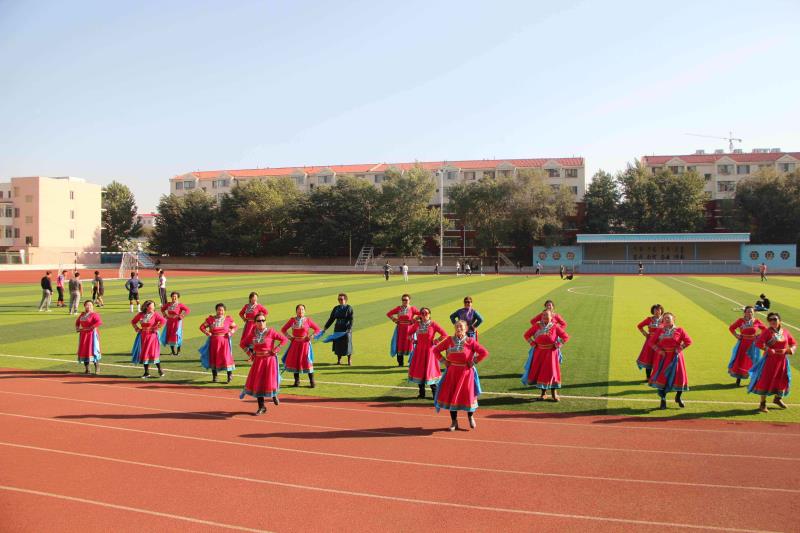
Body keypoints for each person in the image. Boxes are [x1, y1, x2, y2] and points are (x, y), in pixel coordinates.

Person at [432, 320, 489, 431]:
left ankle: (470, 416)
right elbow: (436, 350)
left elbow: (484, 352)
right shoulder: (449, 340)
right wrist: (444, 361)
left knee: (468, 395)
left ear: (466, 329)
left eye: (461, 327)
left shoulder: (470, 341)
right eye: (457, 326)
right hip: (452, 372)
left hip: (466, 373)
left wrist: (474, 361)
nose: (459, 328)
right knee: (452, 396)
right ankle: (454, 422)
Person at [240, 312, 288, 415]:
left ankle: (274, 394)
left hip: (270, 360)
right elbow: (242, 344)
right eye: (259, 321)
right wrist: (251, 354)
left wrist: (277, 348)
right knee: (258, 382)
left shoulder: (271, 332)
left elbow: (284, 339)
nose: (261, 322)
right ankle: (261, 407)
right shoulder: (252, 333)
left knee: (270, 380)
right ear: (255, 323)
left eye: (263, 320)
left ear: (265, 322)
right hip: (258, 361)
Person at [749, 312, 797, 412]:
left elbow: (793, 343)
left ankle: (778, 399)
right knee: (766, 379)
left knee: (782, 379)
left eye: (775, 319)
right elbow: (758, 343)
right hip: (770, 360)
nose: (772, 321)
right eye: (770, 320)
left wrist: (789, 350)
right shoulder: (767, 332)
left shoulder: (785, 332)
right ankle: (762, 404)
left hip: (782, 360)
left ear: (780, 320)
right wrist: (768, 349)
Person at [521, 308, 569, 401]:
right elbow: (526, 335)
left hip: (551, 353)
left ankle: (554, 393)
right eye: (543, 315)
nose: (544, 317)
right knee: (541, 372)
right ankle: (543, 394)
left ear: (551, 317)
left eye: (547, 315)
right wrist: (532, 343)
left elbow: (565, 336)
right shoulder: (537, 326)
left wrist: (558, 344)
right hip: (539, 353)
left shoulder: (555, 326)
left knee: (552, 372)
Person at [648, 312, 692, 409]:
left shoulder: (679, 330)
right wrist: (659, 350)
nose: (667, 320)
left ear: (673, 319)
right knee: (662, 378)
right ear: (662, 321)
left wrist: (679, 348)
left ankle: (678, 397)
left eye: (669, 318)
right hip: (663, 358)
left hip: (676, 358)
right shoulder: (660, 330)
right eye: (665, 318)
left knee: (679, 378)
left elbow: (689, 341)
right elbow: (650, 342)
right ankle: (663, 400)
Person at [407, 307, 447, 399]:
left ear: (429, 314)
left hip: (430, 352)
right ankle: (422, 394)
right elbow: (409, 334)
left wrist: (436, 341)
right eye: (422, 313)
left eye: (426, 313)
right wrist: (413, 341)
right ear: (420, 315)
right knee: (420, 370)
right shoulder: (417, 324)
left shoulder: (433, 324)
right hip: (419, 351)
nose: (424, 315)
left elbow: (444, 334)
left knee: (430, 370)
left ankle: (435, 394)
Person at [280, 304, 321, 388]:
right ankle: (297, 381)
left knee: (307, 361)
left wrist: (311, 336)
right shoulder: (292, 320)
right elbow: (283, 329)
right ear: (296, 311)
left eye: (302, 309)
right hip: (295, 344)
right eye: (299, 309)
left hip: (305, 344)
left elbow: (317, 329)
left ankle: (312, 381)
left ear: (304, 311)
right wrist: (289, 337)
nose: (300, 311)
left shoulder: (308, 320)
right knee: (295, 361)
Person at [199, 304, 238, 383]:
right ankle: (215, 376)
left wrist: (230, 332)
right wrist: (207, 332)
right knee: (214, 358)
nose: (220, 312)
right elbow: (202, 327)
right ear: (216, 310)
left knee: (226, 358)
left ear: (224, 311)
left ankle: (229, 375)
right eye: (219, 310)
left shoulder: (228, 319)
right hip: (213, 342)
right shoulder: (210, 319)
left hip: (225, 342)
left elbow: (235, 327)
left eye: (222, 310)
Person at [727, 306, 766, 386]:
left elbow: (765, 330)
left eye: (751, 312)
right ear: (744, 313)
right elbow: (731, 328)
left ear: (754, 313)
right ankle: (738, 378)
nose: (750, 313)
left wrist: (759, 336)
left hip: (753, 344)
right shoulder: (741, 321)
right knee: (741, 360)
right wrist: (736, 335)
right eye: (748, 311)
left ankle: (753, 380)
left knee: (753, 360)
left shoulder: (757, 321)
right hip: (743, 344)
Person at [131, 300, 167, 379]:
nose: (153, 307)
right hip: (143, 336)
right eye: (151, 306)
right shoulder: (141, 314)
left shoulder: (155, 314)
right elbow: (133, 322)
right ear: (147, 307)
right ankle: (146, 372)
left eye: (154, 306)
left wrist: (156, 328)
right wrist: (137, 328)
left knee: (153, 353)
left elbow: (163, 320)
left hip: (152, 337)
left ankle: (160, 369)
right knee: (145, 353)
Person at [387, 294, 420, 367]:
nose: (404, 301)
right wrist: (394, 319)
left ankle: (412, 362)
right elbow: (389, 314)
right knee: (399, 344)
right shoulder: (398, 308)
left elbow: (421, 314)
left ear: (409, 300)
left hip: (409, 329)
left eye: (406, 300)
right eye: (403, 300)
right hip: (400, 329)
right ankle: (400, 363)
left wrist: (414, 320)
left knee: (411, 344)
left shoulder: (412, 308)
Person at [322, 293, 354, 365]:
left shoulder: (349, 308)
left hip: (346, 329)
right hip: (338, 328)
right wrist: (325, 327)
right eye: (339, 299)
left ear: (345, 300)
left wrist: (349, 328)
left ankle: (349, 360)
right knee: (338, 344)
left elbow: (351, 319)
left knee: (347, 344)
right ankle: (339, 360)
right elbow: (331, 319)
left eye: (341, 299)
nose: (340, 301)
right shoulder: (336, 308)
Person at [636, 304, 664, 380]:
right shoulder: (649, 319)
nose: (657, 311)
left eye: (658, 310)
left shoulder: (665, 319)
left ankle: (658, 378)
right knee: (649, 358)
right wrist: (645, 334)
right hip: (650, 342)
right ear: (653, 311)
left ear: (661, 310)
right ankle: (648, 377)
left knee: (660, 359)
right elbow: (639, 326)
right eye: (655, 310)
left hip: (661, 342)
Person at [75, 300, 102, 374]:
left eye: (90, 305)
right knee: (84, 350)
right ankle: (87, 369)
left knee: (93, 350)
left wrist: (92, 327)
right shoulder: (82, 314)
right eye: (87, 305)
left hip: (92, 335)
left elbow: (99, 322)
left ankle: (97, 368)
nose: (89, 306)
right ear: (84, 306)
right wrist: (77, 328)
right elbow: (77, 322)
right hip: (83, 335)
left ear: (92, 306)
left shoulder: (94, 314)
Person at [160, 291, 190, 355]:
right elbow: (162, 309)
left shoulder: (180, 304)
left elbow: (187, 310)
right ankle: (173, 351)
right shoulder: (168, 304)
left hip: (177, 322)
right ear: (171, 297)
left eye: (175, 296)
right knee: (170, 334)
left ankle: (178, 350)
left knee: (177, 334)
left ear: (178, 297)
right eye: (173, 296)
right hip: (170, 321)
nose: (174, 298)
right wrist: (165, 315)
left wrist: (181, 316)